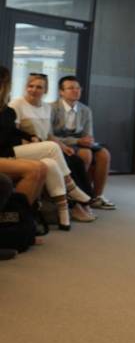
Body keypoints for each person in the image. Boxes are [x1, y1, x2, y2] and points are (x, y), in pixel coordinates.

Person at [2, 69, 90, 230]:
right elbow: (10, 135)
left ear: (45, 90)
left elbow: (45, 134)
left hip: (34, 147)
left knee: (52, 163)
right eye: (31, 86)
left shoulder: (44, 107)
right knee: (52, 149)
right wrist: (29, 140)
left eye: (39, 87)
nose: (34, 90)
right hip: (16, 150)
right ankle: (72, 188)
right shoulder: (16, 105)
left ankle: (63, 213)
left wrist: (60, 145)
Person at [50, 75, 115, 210]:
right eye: (70, 88)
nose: (75, 91)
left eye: (78, 88)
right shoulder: (52, 108)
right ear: (61, 92)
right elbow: (50, 135)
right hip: (59, 144)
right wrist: (77, 140)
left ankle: (96, 196)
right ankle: (79, 196)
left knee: (104, 154)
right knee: (86, 154)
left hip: (80, 144)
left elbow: (88, 134)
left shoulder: (85, 110)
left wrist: (87, 140)